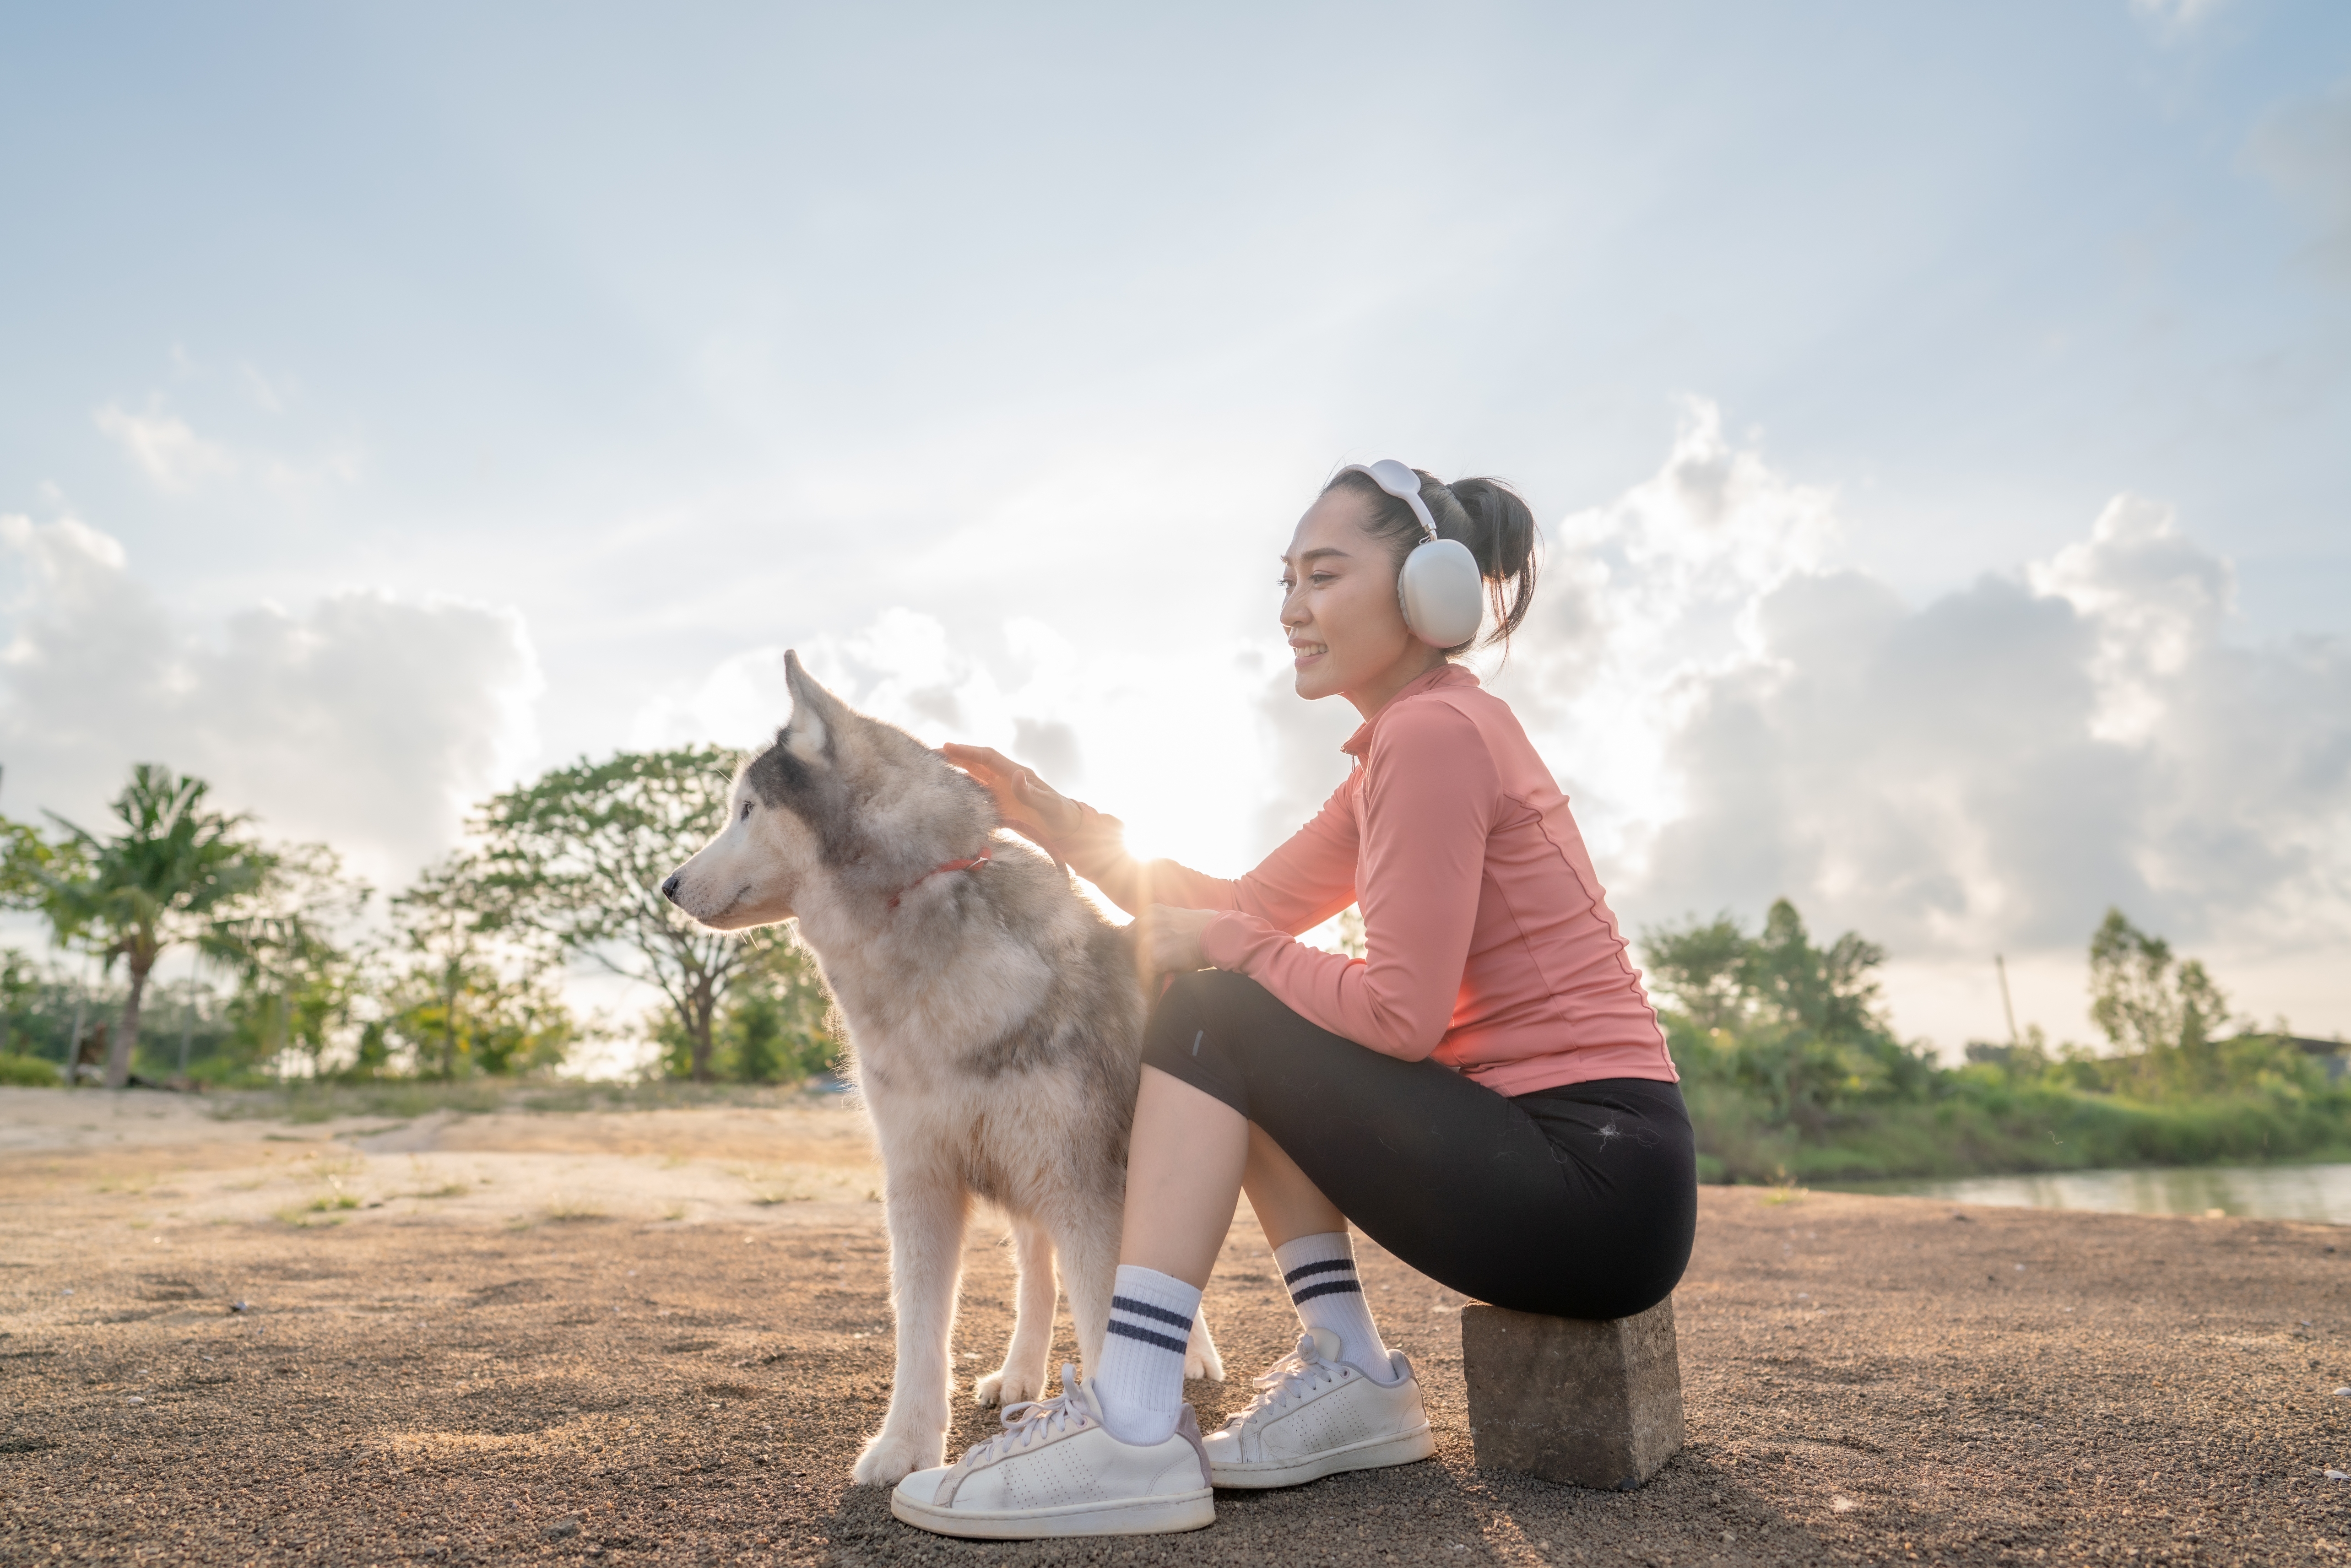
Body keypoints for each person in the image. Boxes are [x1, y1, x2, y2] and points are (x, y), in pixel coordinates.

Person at [896, 463, 1696, 1540]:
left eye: (1325, 574)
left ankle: (1132, 1422)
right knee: (1230, 994)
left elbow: (1396, 1014)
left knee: (1219, 1003)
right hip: (1579, 1171)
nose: (1291, 610)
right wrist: (1045, 813)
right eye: (1286, 580)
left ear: (1426, 593)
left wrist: (1231, 944)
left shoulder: (1434, 737)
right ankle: (1350, 1366)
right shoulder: (1400, 752)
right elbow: (1242, 902)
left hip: (1591, 1177)